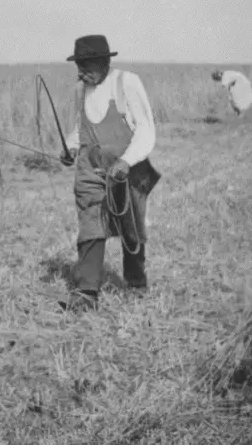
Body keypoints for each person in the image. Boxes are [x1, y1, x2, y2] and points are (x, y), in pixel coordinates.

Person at [59, 35, 162, 312]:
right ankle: (86, 292)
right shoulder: (80, 90)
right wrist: (69, 148)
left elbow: (145, 128)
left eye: (87, 64)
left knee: (132, 228)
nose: (81, 71)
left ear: (105, 62)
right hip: (90, 169)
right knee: (91, 225)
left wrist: (127, 161)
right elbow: (80, 129)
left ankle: (136, 283)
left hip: (127, 170)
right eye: (78, 64)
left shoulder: (126, 82)